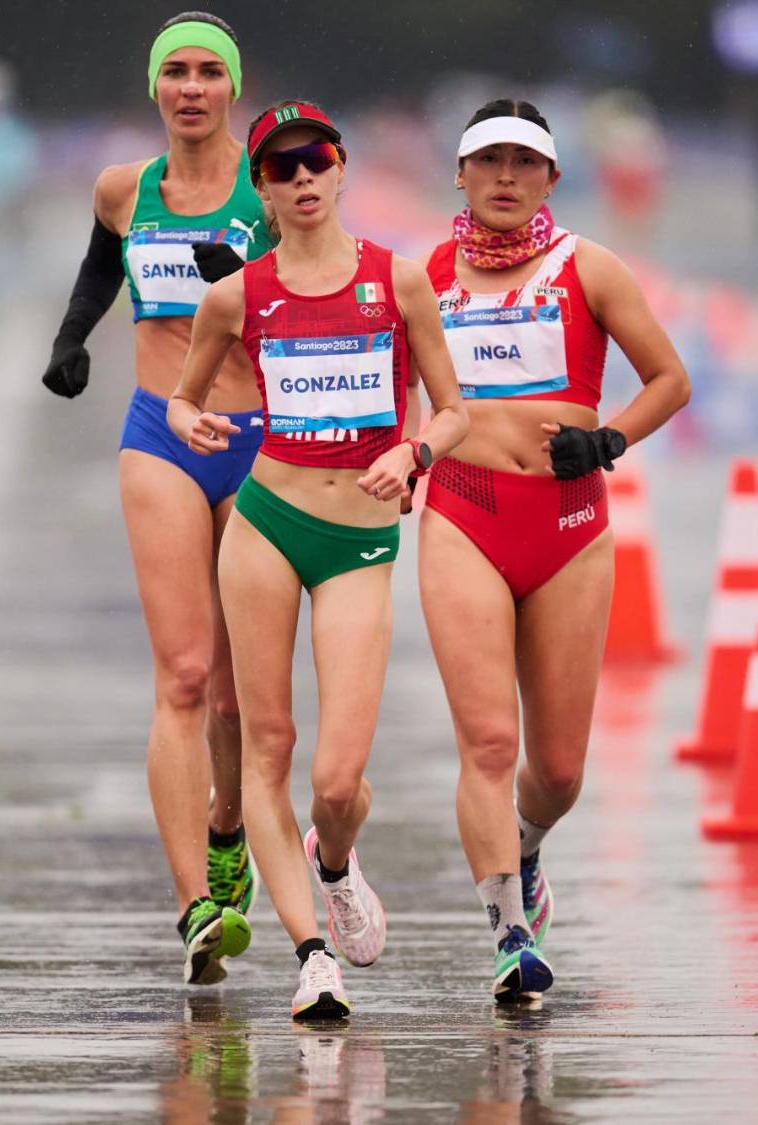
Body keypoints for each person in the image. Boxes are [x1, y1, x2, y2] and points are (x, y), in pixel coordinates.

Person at [168, 99, 469, 1019]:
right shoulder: (236, 295)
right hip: (262, 524)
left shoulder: (398, 281)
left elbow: (453, 411)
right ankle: (309, 956)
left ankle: (331, 862)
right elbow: (181, 401)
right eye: (280, 168)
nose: (301, 179)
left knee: (336, 778)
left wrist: (412, 451)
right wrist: (195, 420)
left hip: (357, 543)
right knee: (267, 749)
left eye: (315, 162)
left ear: (341, 172)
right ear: (260, 188)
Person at [418, 99, 689, 1002]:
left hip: (570, 524)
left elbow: (670, 380)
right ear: (459, 174)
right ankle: (508, 933)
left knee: (560, 770)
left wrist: (606, 441)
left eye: (523, 164)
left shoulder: (588, 266)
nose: (504, 178)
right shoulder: (423, 278)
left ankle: (525, 845)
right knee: (488, 741)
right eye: (486, 161)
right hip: (462, 512)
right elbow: (333, 342)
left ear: (550, 179)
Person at [40, 12, 272, 987]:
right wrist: (72, 337)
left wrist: (248, 283)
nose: (189, 88)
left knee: (236, 692)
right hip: (158, 435)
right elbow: (106, 254)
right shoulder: (122, 189)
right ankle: (191, 908)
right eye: (172, 72)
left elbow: (322, 290)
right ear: (153, 88)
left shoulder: (272, 189)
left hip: (260, 442)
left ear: (231, 87)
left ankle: (229, 827)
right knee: (181, 675)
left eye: (205, 73)